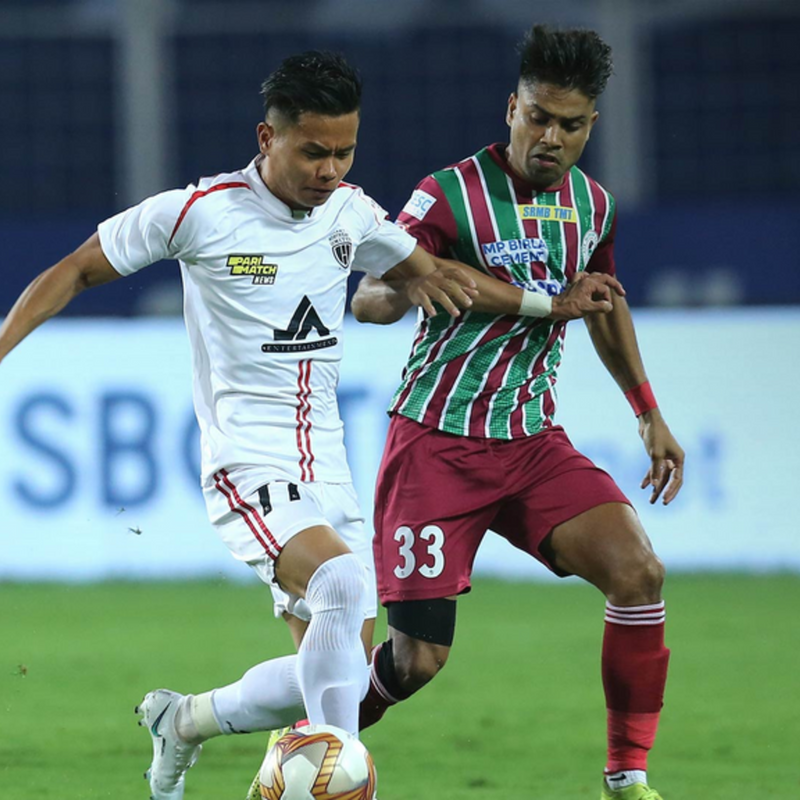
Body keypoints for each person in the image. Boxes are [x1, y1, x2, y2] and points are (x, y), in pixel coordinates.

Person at [0, 51, 488, 800]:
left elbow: (422, 272)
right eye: (314, 151)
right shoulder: (200, 212)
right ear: (268, 137)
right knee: (339, 583)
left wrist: (537, 303)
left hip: (329, 468)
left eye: (345, 152)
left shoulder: (351, 213)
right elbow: (75, 269)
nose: (330, 169)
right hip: (247, 461)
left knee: (341, 668)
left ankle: (184, 720)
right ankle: (339, 780)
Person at [350, 25, 684, 800]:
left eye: (570, 124)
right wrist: (404, 288)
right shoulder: (447, 194)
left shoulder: (592, 205)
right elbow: (368, 297)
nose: (551, 137)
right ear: (512, 109)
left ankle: (627, 777)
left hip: (531, 445)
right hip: (436, 445)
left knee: (638, 572)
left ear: (590, 126)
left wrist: (647, 412)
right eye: (539, 117)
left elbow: (603, 302)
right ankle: (311, 733)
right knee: (416, 662)